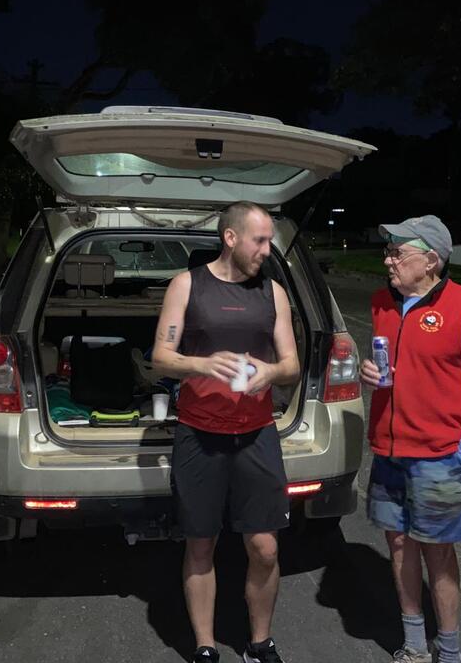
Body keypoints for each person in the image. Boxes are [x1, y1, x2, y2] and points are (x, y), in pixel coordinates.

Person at [152, 201, 301, 663]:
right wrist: (203, 364)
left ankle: (260, 643)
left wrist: (270, 372)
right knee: (201, 543)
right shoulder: (186, 285)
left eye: (270, 240)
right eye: (260, 240)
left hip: (256, 433)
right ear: (230, 238)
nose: (267, 250)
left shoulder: (273, 292)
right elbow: (160, 357)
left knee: (265, 548)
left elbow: (292, 366)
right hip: (199, 434)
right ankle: (205, 646)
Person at [359, 215, 461, 663]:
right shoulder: (382, 303)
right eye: (388, 252)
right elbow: (391, 369)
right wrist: (368, 373)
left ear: (431, 260)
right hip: (389, 451)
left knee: (439, 554)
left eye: (398, 253)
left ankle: (451, 651)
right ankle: (415, 645)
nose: (388, 260)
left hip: (441, 457)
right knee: (399, 546)